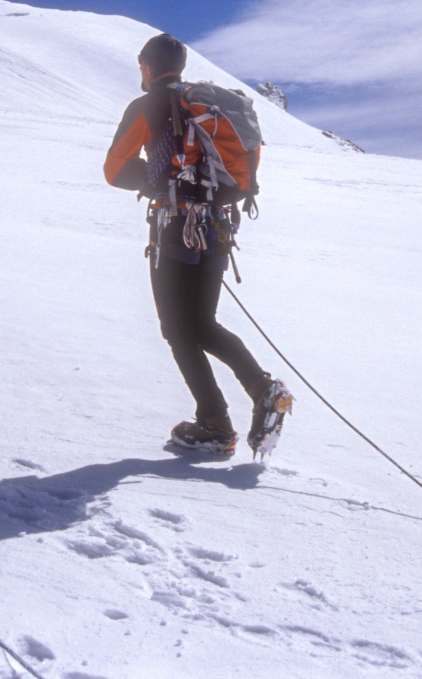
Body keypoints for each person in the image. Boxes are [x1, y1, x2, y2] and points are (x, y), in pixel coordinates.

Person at [103, 33, 292, 456]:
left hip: (175, 228)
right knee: (201, 324)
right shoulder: (206, 104)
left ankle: (215, 423)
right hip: (218, 227)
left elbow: (114, 170)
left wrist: (158, 179)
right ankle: (262, 390)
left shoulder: (147, 106)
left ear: (148, 67)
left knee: (177, 328)